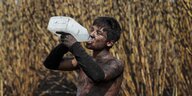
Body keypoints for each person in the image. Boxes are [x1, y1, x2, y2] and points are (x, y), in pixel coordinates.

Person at [43, 16, 124, 96]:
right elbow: (50, 64)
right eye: (92, 30)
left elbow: (97, 76)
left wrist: (75, 46)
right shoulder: (82, 61)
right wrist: (65, 44)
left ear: (109, 43)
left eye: (99, 33)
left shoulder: (116, 64)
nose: (92, 34)